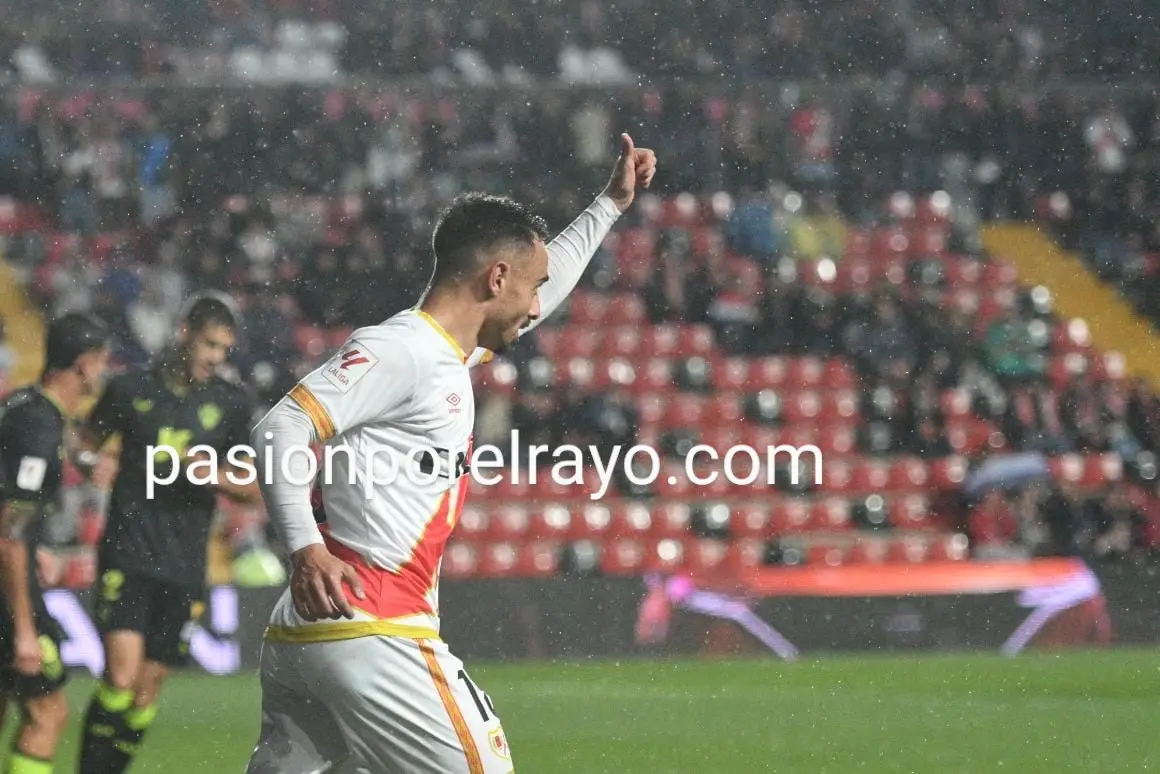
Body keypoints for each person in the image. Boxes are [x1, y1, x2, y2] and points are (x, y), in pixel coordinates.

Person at [245, 133, 657, 774]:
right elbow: (279, 428)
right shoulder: (402, 350)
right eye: (530, 285)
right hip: (373, 626)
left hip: (312, 633)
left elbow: (537, 298)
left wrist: (608, 206)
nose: (535, 305)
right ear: (497, 278)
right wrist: (304, 548)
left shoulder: (444, 354)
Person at [75, 292, 260, 774]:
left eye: (224, 349)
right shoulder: (130, 387)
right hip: (129, 548)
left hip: (184, 563)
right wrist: (89, 461)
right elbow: (85, 441)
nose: (216, 358)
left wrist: (211, 475)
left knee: (146, 691)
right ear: (185, 333)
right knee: (119, 677)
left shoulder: (229, 404)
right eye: (210, 345)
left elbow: (252, 485)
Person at [0, 312, 111, 774]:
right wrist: (25, 630)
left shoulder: (28, 405)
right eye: (103, 362)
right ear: (84, 364)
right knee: (49, 712)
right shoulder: (39, 427)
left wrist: (82, 459)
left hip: (16, 571)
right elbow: (10, 530)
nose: (104, 372)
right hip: (8, 592)